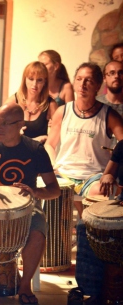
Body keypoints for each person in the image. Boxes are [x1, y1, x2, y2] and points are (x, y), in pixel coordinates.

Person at [0, 103, 60, 305]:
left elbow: (54, 189)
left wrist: (35, 192)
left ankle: (25, 286)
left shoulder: (35, 150)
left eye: (6, 123)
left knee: (37, 230)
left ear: (20, 125)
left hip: (26, 208)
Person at [45, 62, 123, 217]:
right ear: (74, 82)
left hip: (93, 176)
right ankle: (60, 239)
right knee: (50, 188)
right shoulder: (62, 111)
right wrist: (53, 165)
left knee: (100, 190)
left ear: (98, 86)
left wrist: (110, 173)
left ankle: (87, 234)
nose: (83, 84)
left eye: (89, 80)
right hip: (64, 173)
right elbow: (50, 144)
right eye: (79, 79)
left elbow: (122, 145)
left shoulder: (109, 115)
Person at [5, 61, 57, 143]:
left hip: (39, 153)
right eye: (31, 79)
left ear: (45, 82)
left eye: (39, 80)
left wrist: (49, 136)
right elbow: (1, 132)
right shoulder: (13, 101)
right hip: (15, 152)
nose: (34, 84)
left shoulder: (51, 104)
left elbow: (56, 138)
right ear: (24, 79)